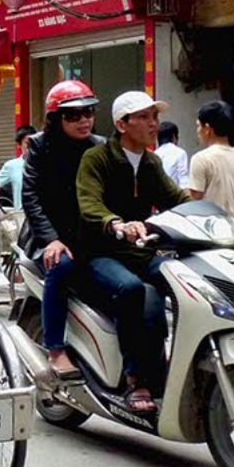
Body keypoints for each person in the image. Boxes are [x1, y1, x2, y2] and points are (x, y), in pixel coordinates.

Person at [77, 91, 190, 412]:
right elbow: (89, 203)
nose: (153, 123)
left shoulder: (151, 162)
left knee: (182, 280)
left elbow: (177, 200)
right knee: (132, 289)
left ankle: (173, 366)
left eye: (154, 116)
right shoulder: (96, 160)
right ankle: (134, 380)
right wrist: (116, 223)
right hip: (99, 252)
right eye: (143, 117)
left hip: (139, 251)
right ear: (121, 124)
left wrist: (218, 217)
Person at [21, 82, 105, 376]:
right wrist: (51, 240)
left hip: (90, 236)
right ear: (57, 118)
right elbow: (30, 197)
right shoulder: (39, 145)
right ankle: (56, 349)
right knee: (61, 266)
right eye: (74, 115)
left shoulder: (101, 147)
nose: (84, 120)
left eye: (89, 112)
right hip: (49, 238)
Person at [189, 101, 234, 222]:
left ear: (207, 128)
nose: (197, 131)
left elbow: (194, 199)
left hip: (211, 232)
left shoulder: (201, 159)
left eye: (198, 126)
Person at [0, 125, 37, 209]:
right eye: (27, 143)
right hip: (22, 216)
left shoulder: (46, 164)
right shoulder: (12, 166)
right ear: (19, 145)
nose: (31, 146)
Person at [155, 121, 190, 188]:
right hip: (174, 196)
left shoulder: (154, 155)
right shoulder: (180, 153)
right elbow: (184, 180)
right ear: (174, 137)